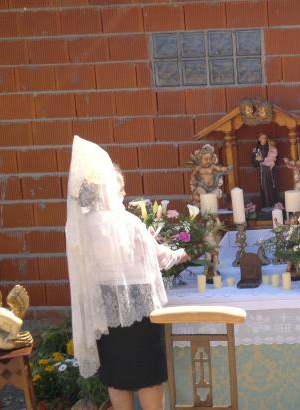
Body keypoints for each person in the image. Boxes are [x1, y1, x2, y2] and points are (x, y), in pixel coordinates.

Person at [66, 136, 189, 410]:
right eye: (119, 188)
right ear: (109, 190)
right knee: (149, 378)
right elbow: (158, 257)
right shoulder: (127, 221)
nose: (122, 193)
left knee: (117, 376)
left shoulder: (82, 227)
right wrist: (180, 254)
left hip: (105, 305)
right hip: (138, 306)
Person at [252, 133, 280, 209]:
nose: (264, 139)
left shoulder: (270, 147)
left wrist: (272, 161)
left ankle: (274, 203)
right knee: (264, 186)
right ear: (259, 139)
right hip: (262, 170)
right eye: (262, 138)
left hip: (270, 170)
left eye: (265, 138)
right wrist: (257, 160)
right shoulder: (256, 149)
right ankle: (266, 204)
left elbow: (275, 158)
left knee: (272, 185)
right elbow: (254, 161)